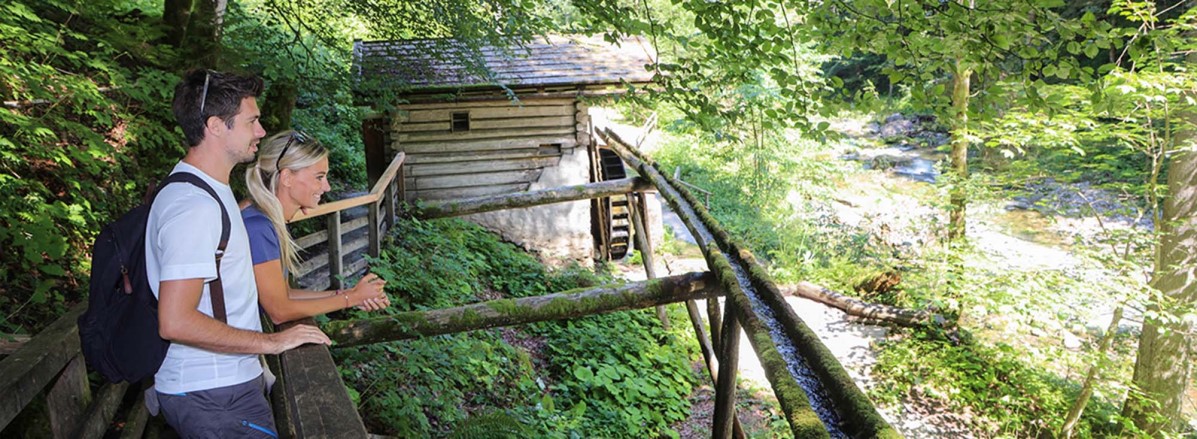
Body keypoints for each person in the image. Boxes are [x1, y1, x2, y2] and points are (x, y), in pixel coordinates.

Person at [147, 69, 330, 438]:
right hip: (211, 394)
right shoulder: (194, 206)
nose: (261, 132)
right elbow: (176, 321)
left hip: (221, 387)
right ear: (216, 126)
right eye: (252, 121)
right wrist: (273, 341)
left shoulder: (209, 192)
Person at [242, 130, 390, 323]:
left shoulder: (265, 219)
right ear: (286, 178)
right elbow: (279, 310)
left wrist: (351, 294)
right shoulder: (258, 227)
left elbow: (285, 294)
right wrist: (350, 299)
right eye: (319, 177)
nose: (327, 187)